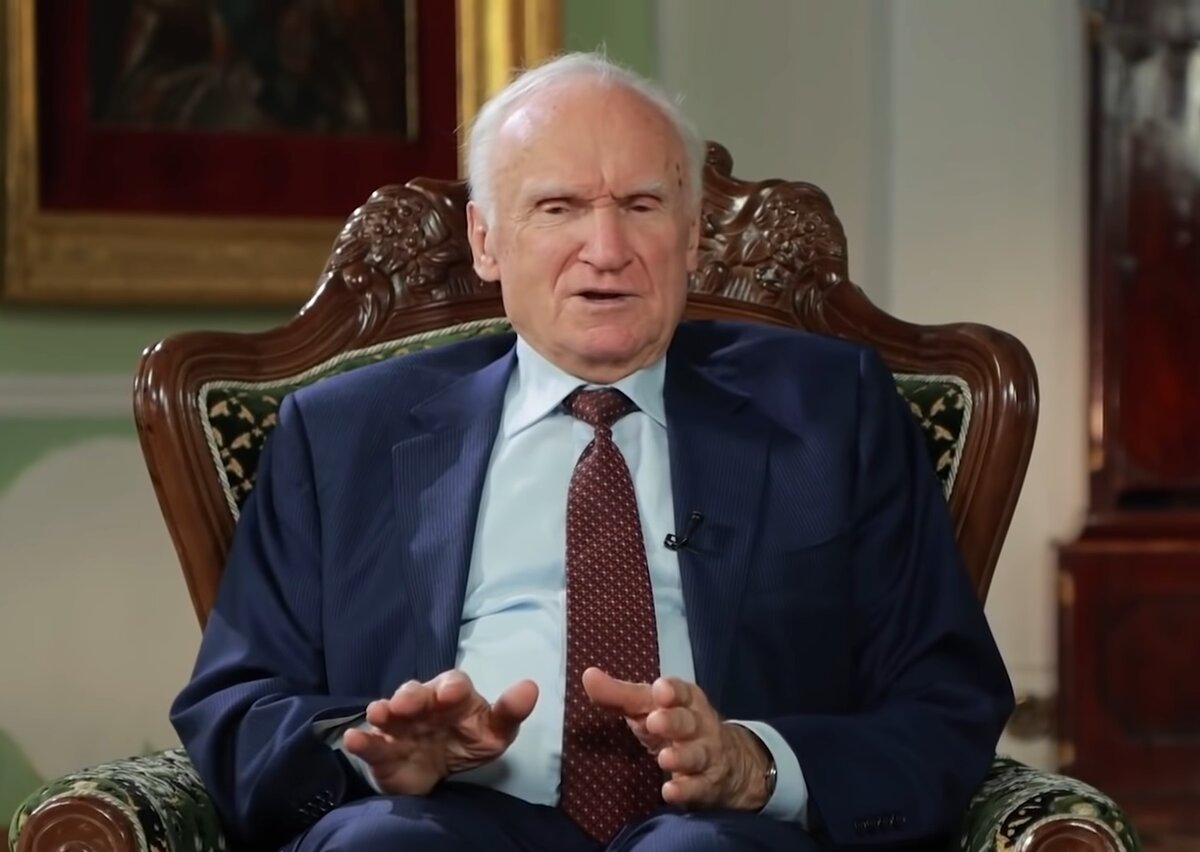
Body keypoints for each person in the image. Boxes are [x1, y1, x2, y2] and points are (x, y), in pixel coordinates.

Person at [171, 52, 1013, 852]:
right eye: (558, 207)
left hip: (721, 830)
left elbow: (945, 698)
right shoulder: (342, 434)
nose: (607, 251)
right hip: (441, 818)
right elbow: (238, 706)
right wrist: (370, 751)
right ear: (485, 240)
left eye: (642, 205)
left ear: (693, 236)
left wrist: (756, 765)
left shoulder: (832, 411)